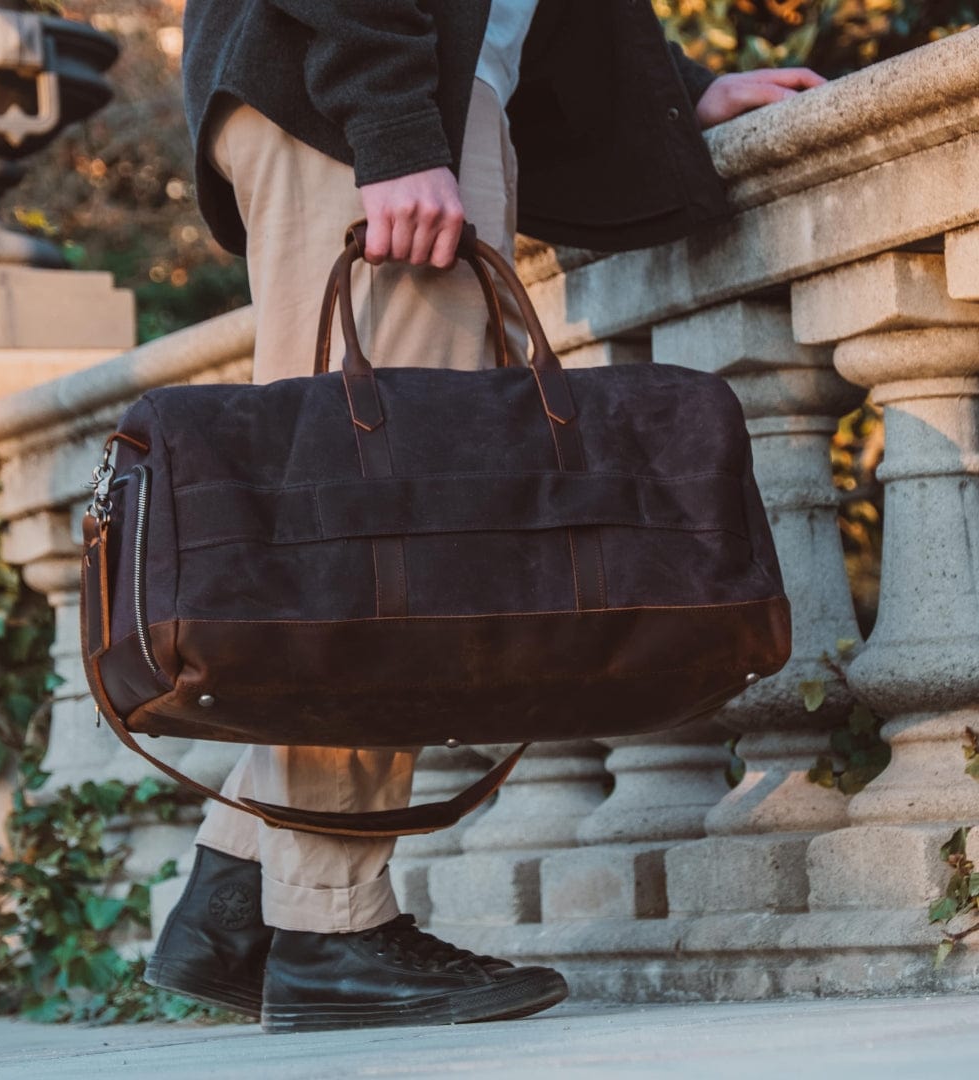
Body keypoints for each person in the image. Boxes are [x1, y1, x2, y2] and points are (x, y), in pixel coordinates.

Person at [143, 0, 824, 1033]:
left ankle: (233, 906)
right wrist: (394, 130)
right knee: (391, 546)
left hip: (396, 91)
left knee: (386, 538)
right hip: (374, 93)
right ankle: (333, 936)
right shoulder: (386, 115)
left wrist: (673, 95)